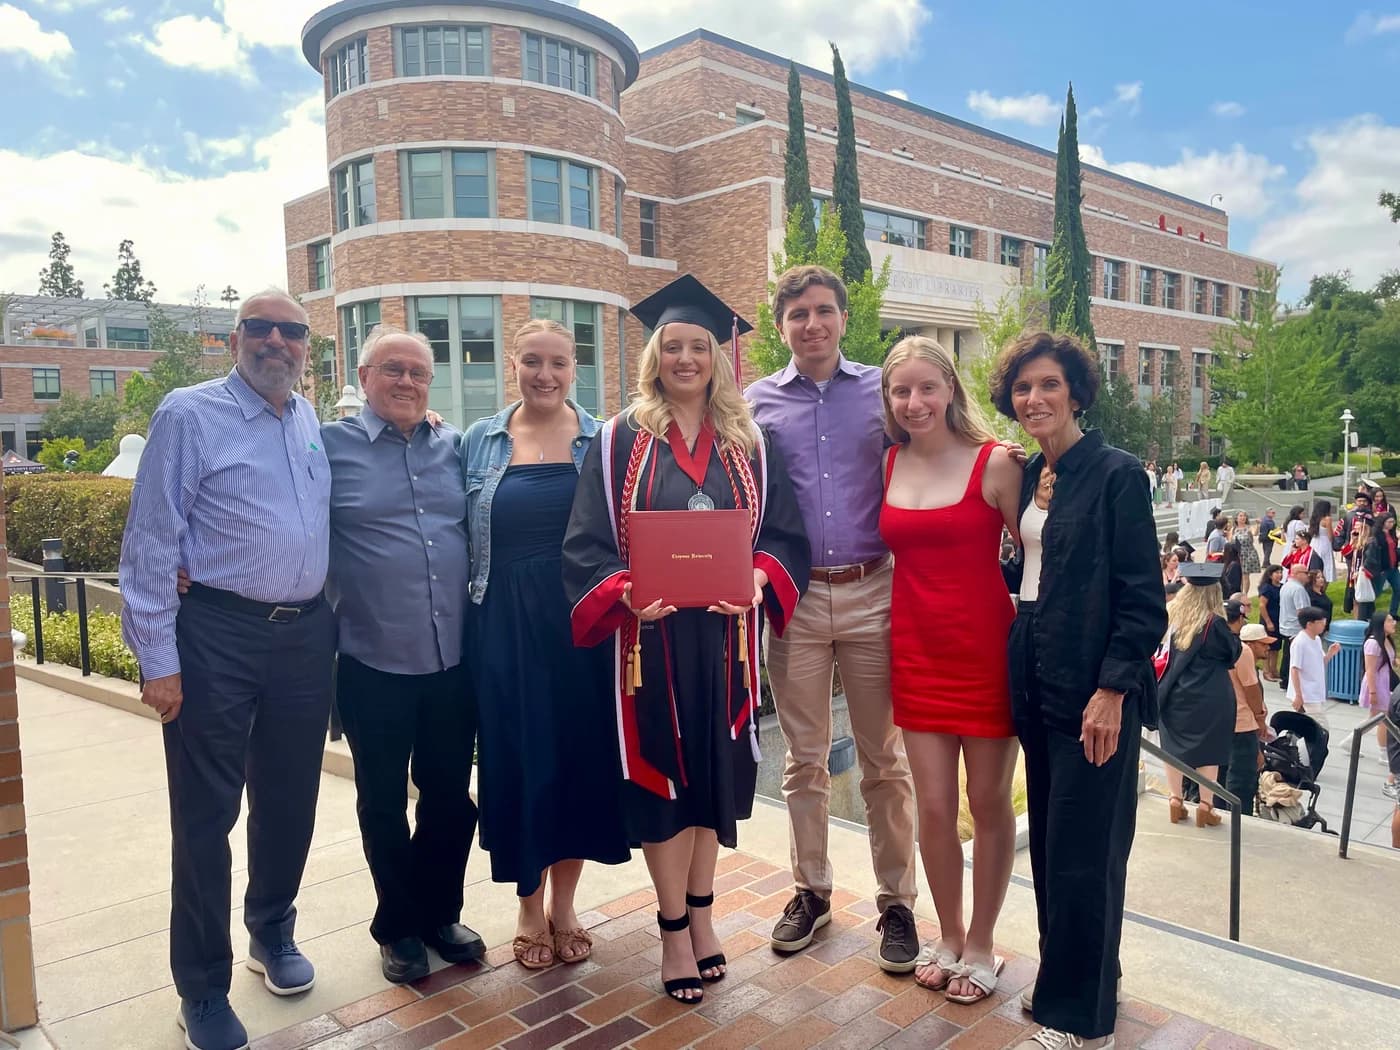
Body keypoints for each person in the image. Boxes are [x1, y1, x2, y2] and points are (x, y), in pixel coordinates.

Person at [563, 274, 810, 1004]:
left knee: (712, 782)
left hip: (727, 645)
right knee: (665, 785)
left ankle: (704, 921)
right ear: (655, 356)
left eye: (698, 346)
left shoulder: (750, 444)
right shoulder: (618, 441)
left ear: (717, 356)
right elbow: (584, 547)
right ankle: (673, 933)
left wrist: (764, 578)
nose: (685, 358)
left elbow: (784, 537)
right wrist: (624, 593)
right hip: (652, 648)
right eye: (672, 346)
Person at [119, 291, 334, 1050]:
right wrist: (159, 660)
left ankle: (271, 933)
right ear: (235, 338)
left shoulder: (307, 417)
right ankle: (202, 985)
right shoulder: (189, 412)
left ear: (306, 344)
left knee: (289, 800)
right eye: (261, 328)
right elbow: (150, 540)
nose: (277, 340)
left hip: (305, 638)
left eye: (292, 331)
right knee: (207, 816)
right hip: (216, 633)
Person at [990, 332, 1166, 1050]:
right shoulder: (1033, 473)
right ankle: (1079, 977)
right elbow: (1032, 574)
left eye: (1048, 386)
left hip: (1091, 683)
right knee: (1056, 847)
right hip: (1034, 676)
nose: (1034, 399)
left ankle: (1079, 1020)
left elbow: (1142, 598)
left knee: (1087, 855)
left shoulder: (1117, 475)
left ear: (1077, 393)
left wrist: (1113, 690)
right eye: (1023, 388)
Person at [746, 265, 921, 972]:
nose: (811, 324)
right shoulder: (755, 403)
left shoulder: (883, 390)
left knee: (884, 759)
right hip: (794, 595)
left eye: (823, 311)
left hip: (875, 587)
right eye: (797, 315)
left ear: (843, 318)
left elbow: (942, 439)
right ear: (781, 326)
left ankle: (898, 904)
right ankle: (811, 892)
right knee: (805, 759)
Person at [461, 320, 631, 970]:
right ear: (513, 363)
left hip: (582, 627)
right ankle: (527, 906)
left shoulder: (604, 439)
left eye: (557, 362)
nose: (544, 374)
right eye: (532, 360)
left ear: (574, 368)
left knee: (577, 763)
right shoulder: (479, 440)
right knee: (516, 760)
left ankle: (565, 905)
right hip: (503, 625)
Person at [321, 327, 483, 984]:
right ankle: (398, 926)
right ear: (363, 376)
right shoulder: (327, 450)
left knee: (450, 799)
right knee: (382, 802)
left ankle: (441, 912)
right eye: (393, 369)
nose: (407, 382)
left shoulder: (455, 447)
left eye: (419, 372)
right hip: (373, 662)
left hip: (452, 662)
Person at [877, 336, 1023, 1002]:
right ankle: (949, 935)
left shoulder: (995, 464)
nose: (914, 402)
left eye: (926, 388)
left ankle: (985, 943)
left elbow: (1044, 551)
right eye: (900, 391)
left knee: (988, 803)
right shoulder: (888, 463)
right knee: (934, 809)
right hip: (915, 650)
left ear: (949, 390)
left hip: (988, 651)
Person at [1157, 563, 1243, 828]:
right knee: (1209, 751)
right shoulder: (1213, 622)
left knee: (1171, 748)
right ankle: (1206, 806)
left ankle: (1175, 800)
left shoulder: (1171, 614)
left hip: (1173, 693)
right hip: (1210, 696)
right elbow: (1231, 654)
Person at [1225, 621, 1273, 816]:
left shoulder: (1231, 651)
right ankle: (1240, 821)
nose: (1267, 647)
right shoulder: (1243, 654)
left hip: (1228, 722)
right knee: (1241, 780)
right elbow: (1252, 692)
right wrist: (1260, 719)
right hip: (1243, 725)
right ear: (1251, 644)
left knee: (1227, 775)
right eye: (1263, 643)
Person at [1361, 611, 1398, 800]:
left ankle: (1351, 741)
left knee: (1375, 719)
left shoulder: (1387, 641)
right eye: (1390, 620)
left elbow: (1390, 662)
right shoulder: (1373, 643)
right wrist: (1373, 692)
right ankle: (1384, 752)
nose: (1394, 623)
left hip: (1385, 683)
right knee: (1383, 719)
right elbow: (1370, 669)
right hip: (1376, 684)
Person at [1289, 607, 1339, 729]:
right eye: (1321, 622)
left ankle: (1290, 742)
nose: (1323, 625)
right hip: (1306, 692)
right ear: (1309, 624)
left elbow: (1320, 662)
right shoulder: (1300, 642)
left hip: (1315, 690)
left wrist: (1330, 654)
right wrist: (1298, 695)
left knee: (1304, 726)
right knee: (1321, 727)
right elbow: (1294, 669)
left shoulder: (1316, 639)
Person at [1277, 563, 1312, 691]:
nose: (1308, 575)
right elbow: (1301, 612)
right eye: (1305, 572)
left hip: (1286, 625)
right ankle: (1289, 681)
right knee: (1294, 657)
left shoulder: (1286, 586)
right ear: (1297, 574)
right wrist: (1307, 629)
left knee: (1287, 654)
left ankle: (1284, 679)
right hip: (1296, 628)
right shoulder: (1298, 589)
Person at [1361, 511, 1400, 618]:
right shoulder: (1376, 535)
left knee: (1398, 589)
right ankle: (1366, 615)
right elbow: (1372, 554)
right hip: (1382, 569)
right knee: (1375, 593)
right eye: (1389, 522)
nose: (1392, 524)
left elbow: (1393, 549)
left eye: (1393, 522)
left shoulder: (1391, 534)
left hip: (1393, 567)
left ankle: (1393, 613)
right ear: (1383, 522)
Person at [1258, 565, 1283, 684]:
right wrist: (1268, 622)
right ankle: (1266, 670)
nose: (1279, 575)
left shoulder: (1282, 587)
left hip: (1279, 620)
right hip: (1269, 619)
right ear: (1270, 575)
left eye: (1280, 572)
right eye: (1277, 573)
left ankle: (1274, 669)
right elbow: (1262, 605)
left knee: (1276, 646)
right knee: (1268, 647)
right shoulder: (1267, 588)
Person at [1310, 501, 1336, 583]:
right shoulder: (1327, 519)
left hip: (1314, 542)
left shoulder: (1314, 518)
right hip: (1325, 543)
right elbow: (1330, 536)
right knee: (1326, 564)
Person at [1234, 511, 1261, 583]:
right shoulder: (1233, 529)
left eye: (1244, 516)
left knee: (1245, 575)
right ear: (1236, 518)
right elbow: (1230, 541)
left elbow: (1255, 533)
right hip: (1236, 553)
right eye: (1241, 516)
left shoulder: (1249, 528)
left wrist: (1258, 525)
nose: (1243, 517)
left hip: (1247, 553)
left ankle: (1245, 593)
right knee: (1238, 574)